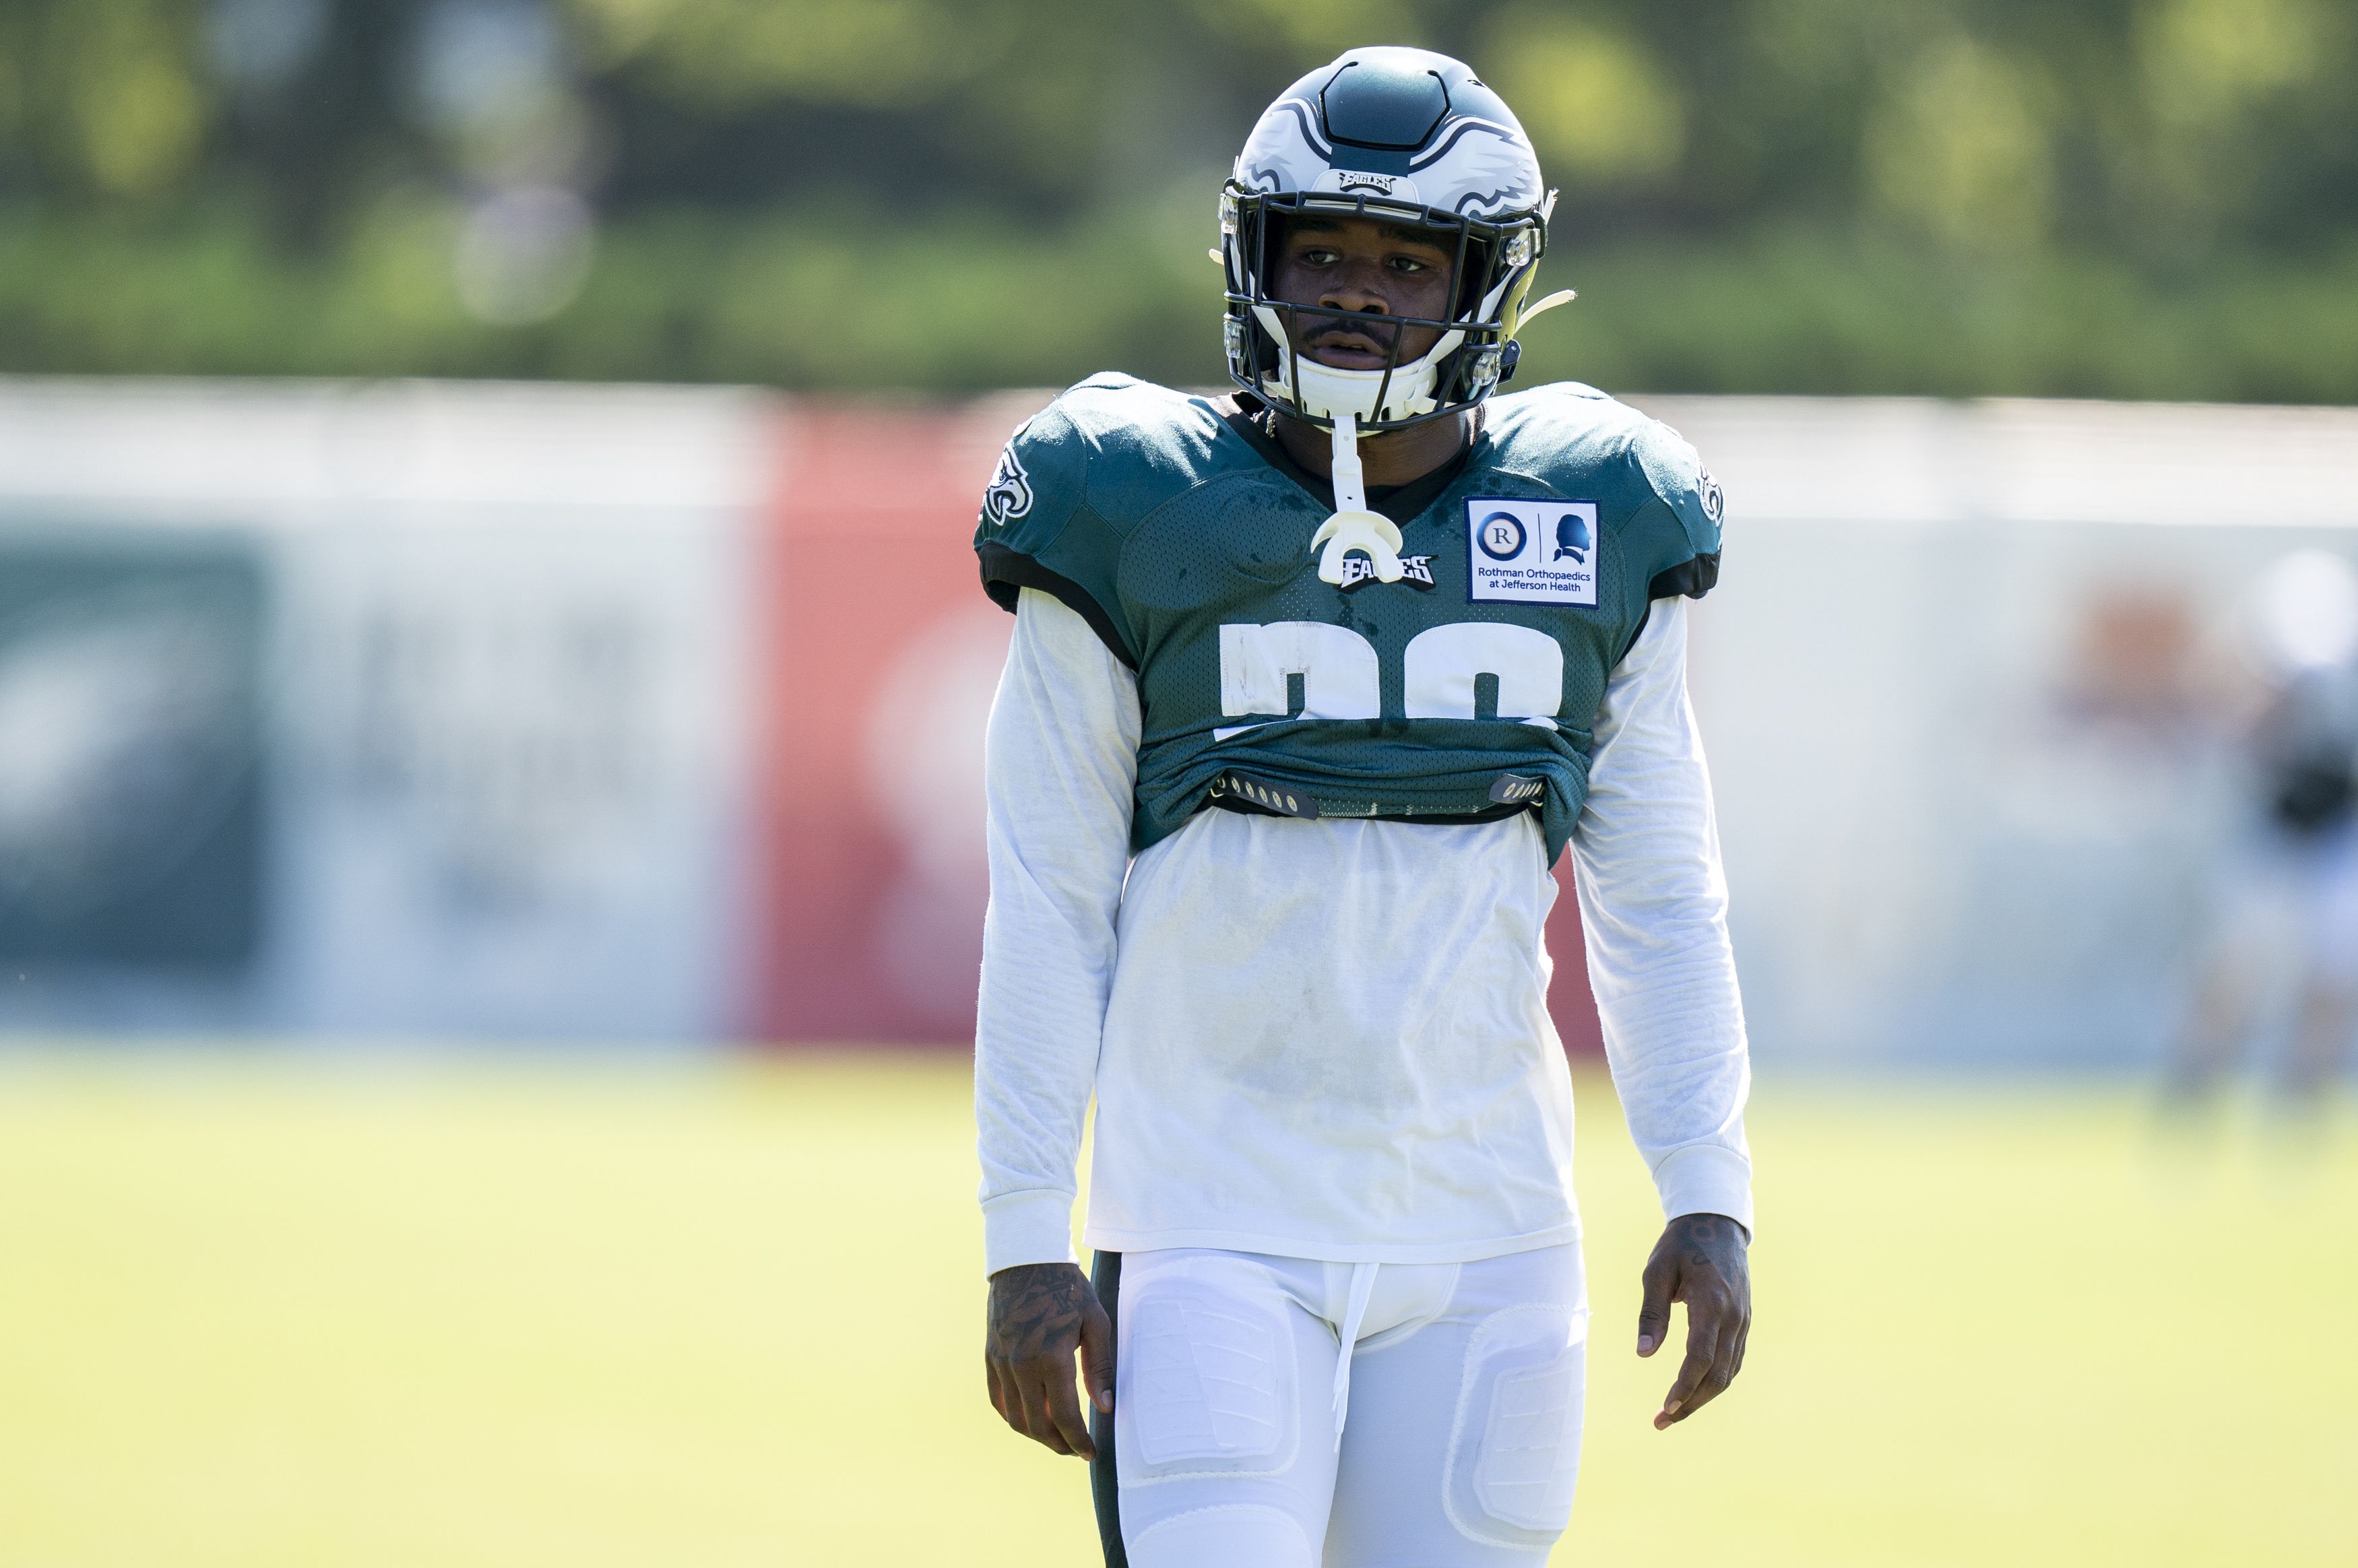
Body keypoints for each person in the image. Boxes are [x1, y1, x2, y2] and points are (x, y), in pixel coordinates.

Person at [971, 47, 1753, 1568]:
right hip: (1206, 1217)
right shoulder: (1133, 499)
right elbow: (1050, 898)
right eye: (1320, 250)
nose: (1355, 292)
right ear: (1250, 257)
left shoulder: (1600, 513)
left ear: (1487, 283)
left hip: (1493, 1234)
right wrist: (1021, 1237)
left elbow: (1659, 896)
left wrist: (1708, 1190)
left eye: (1407, 261)